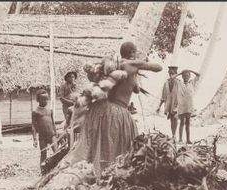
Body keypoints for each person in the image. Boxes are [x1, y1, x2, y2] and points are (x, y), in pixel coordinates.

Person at [66, 41, 163, 175]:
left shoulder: (112, 65)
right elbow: (158, 67)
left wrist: (135, 80)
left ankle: (92, 174)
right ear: (132, 53)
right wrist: (139, 63)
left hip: (99, 110)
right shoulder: (132, 64)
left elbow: (133, 88)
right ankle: (108, 175)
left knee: (99, 146)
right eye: (136, 52)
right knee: (117, 150)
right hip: (117, 112)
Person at [173, 69, 200, 144]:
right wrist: (181, 73)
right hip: (181, 105)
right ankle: (180, 139)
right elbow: (172, 77)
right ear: (182, 76)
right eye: (184, 76)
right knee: (182, 122)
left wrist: (190, 70)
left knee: (188, 123)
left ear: (189, 76)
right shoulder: (179, 83)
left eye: (187, 76)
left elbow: (198, 75)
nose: (186, 77)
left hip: (189, 105)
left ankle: (188, 139)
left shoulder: (192, 83)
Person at [31, 89, 57, 166]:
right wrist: (35, 139)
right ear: (38, 100)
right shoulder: (35, 112)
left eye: (46, 99)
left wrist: (55, 133)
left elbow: (52, 122)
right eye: (43, 99)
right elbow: (33, 125)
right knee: (43, 154)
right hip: (42, 137)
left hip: (52, 135)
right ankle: (43, 170)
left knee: (56, 152)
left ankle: (55, 168)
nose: (45, 101)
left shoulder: (50, 110)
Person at [156, 66, 179, 140]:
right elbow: (163, 96)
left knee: (175, 118)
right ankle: (173, 135)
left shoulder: (179, 83)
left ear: (176, 74)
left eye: (172, 73)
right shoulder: (166, 83)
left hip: (177, 104)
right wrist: (159, 106)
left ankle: (174, 134)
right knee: (172, 119)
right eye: (170, 73)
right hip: (169, 104)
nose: (171, 75)